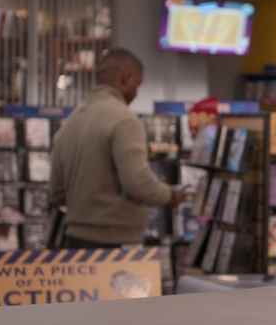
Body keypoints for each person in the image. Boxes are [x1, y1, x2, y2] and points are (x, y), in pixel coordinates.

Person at [50, 48, 184, 248]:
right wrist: (171, 195)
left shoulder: (70, 123)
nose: (136, 94)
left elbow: (57, 193)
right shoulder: (125, 120)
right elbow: (137, 184)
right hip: (115, 243)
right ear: (125, 78)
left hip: (74, 241)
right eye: (137, 85)